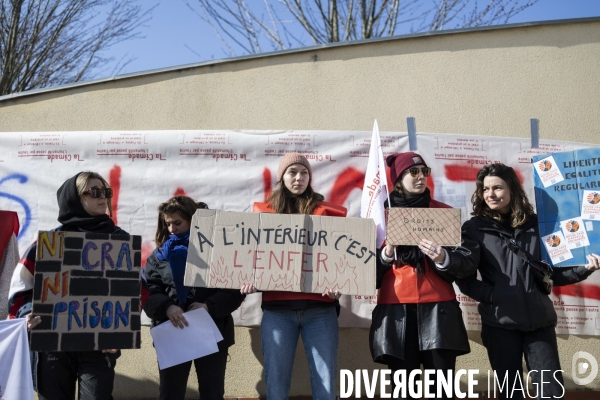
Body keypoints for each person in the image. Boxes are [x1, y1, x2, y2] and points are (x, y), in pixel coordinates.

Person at [447, 163, 600, 400]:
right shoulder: (474, 228)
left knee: (550, 392)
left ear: (512, 189)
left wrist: (585, 268)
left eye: (497, 187)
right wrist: (493, 296)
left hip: (539, 323)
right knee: (512, 393)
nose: (490, 194)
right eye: (485, 189)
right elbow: (464, 279)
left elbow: (553, 274)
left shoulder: (537, 225)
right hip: (499, 325)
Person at [8, 171, 125, 400]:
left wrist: (119, 333)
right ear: (74, 198)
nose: (103, 196)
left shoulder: (119, 243)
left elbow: (133, 291)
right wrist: (27, 314)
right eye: (94, 191)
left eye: (106, 192)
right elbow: (20, 288)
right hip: (52, 346)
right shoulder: (49, 244)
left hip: (98, 347)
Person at [241, 153, 346, 400]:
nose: (298, 177)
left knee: (326, 382)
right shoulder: (262, 213)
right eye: (292, 172)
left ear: (310, 177)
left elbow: (341, 259)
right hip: (278, 311)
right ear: (281, 177)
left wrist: (339, 283)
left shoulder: (328, 212)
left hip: (320, 310)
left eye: (303, 172)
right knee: (276, 381)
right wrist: (248, 278)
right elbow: (251, 255)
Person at [369, 152, 473, 399]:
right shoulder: (379, 218)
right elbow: (364, 274)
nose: (420, 177)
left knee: (443, 390)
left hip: (439, 313)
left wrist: (443, 258)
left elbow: (467, 264)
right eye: (412, 172)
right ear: (397, 179)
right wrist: (387, 254)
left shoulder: (443, 213)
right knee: (404, 392)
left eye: (424, 172)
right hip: (396, 315)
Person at [143, 195, 245, 400]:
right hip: (172, 330)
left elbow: (234, 290)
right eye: (168, 223)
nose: (172, 229)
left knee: (212, 392)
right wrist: (167, 307)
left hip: (211, 329)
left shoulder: (219, 250)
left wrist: (209, 306)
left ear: (193, 220)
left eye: (177, 223)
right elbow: (149, 290)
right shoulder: (160, 254)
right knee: (170, 393)